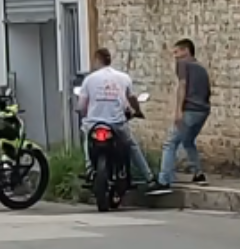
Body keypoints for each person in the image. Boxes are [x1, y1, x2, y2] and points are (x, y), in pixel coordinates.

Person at [78, 48, 161, 193]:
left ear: (97, 60)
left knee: (86, 138)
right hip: (117, 124)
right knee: (132, 146)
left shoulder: (89, 79)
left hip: (94, 124)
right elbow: (132, 99)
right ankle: (149, 178)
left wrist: (84, 113)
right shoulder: (123, 78)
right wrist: (138, 111)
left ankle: (89, 168)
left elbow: (81, 106)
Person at [153, 38, 211, 193]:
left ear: (186, 50)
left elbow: (182, 86)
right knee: (187, 141)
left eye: (177, 52)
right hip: (203, 111)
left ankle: (164, 180)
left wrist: (179, 110)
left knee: (170, 143)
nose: (175, 56)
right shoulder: (201, 68)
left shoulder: (183, 65)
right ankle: (198, 173)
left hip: (190, 110)